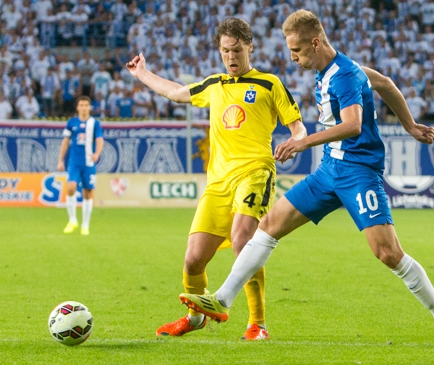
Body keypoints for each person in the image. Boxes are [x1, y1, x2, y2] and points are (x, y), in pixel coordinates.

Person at [179, 10, 434, 347]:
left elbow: (353, 125)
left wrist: (302, 142)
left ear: (315, 42)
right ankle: (223, 298)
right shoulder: (332, 68)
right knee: (268, 225)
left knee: (387, 253)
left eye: (296, 51)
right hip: (328, 172)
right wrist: (410, 125)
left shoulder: (344, 75)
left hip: (358, 173)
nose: (293, 58)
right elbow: (384, 83)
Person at [126, 17, 306, 340]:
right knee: (193, 259)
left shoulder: (269, 84)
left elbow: (297, 125)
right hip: (218, 184)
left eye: (236, 50)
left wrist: (296, 141)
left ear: (250, 47)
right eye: (225, 51)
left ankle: (258, 324)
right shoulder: (213, 85)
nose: (231, 58)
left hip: (255, 173)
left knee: (242, 240)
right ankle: (196, 318)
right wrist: (142, 74)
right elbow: (176, 92)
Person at [57, 96, 104, 235]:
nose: (84, 107)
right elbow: (65, 142)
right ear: (77, 107)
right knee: (71, 187)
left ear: (89, 107)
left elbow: (100, 140)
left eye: (86, 105)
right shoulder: (72, 123)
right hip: (74, 162)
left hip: (89, 163)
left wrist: (97, 153)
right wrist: (60, 160)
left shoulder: (94, 123)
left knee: (88, 193)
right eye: (81, 105)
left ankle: (85, 225)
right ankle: (72, 220)